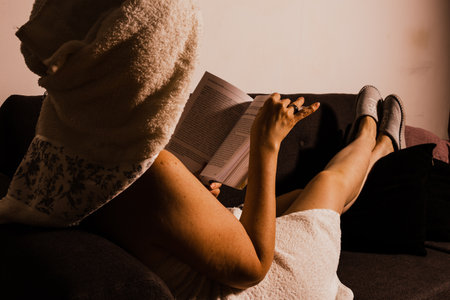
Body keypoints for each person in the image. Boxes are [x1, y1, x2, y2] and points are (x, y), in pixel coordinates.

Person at [83, 86, 406, 299]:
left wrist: (193, 200)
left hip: (204, 263)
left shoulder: (86, 162)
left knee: (298, 196)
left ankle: (378, 152)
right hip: (258, 288)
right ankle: (370, 137)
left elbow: (156, 226)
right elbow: (253, 268)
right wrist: (266, 144)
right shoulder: (153, 166)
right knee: (329, 183)